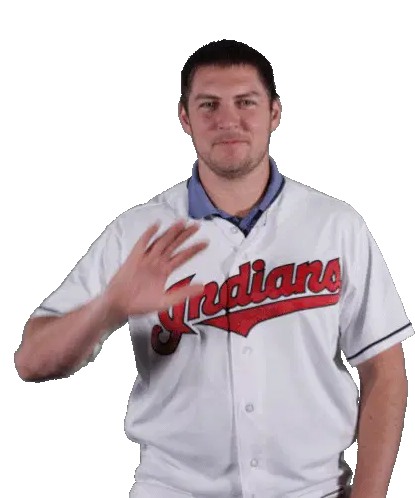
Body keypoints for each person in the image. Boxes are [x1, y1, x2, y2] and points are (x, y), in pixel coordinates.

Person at [15, 40, 413, 498]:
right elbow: (31, 361)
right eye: (209, 105)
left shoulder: (335, 227)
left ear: (275, 113)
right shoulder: (139, 234)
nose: (228, 120)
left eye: (246, 102)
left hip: (313, 490)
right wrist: (108, 307)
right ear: (184, 118)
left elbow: (384, 371)